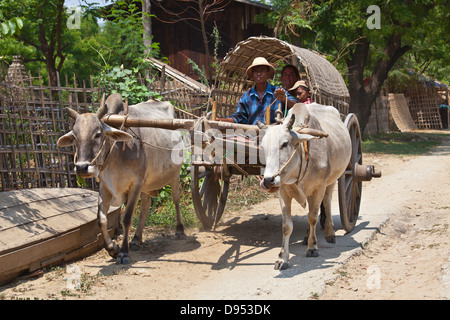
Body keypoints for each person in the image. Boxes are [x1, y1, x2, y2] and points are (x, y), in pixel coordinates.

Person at [217, 57, 297, 125]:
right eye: (256, 71)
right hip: (252, 136)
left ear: (268, 74)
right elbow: (239, 117)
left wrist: (284, 99)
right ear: (252, 75)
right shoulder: (247, 96)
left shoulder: (278, 91)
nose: (259, 73)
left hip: (273, 137)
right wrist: (220, 120)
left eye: (262, 70)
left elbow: (298, 106)